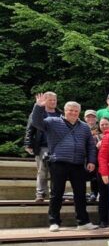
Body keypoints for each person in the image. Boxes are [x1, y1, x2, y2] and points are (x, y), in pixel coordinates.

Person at [31, 93, 97, 232]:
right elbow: (36, 122)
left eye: (76, 111)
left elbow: (91, 146)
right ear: (65, 111)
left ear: (79, 112)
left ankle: (83, 222)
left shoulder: (84, 127)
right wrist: (38, 107)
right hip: (58, 162)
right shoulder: (52, 121)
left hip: (78, 163)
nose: (73, 113)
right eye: (70, 110)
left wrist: (91, 160)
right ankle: (54, 221)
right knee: (57, 193)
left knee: (80, 194)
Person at [25, 91, 61, 202]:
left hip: (57, 147)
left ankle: (54, 193)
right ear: (45, 100)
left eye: (54, 100)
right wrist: (28, 143)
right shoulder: (37, 113)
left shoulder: (60, 114)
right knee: (42, 171)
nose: (53, 102)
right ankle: (40, 193)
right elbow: (30, 129)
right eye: (50, 100)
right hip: (42, 146)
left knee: (56, 172)